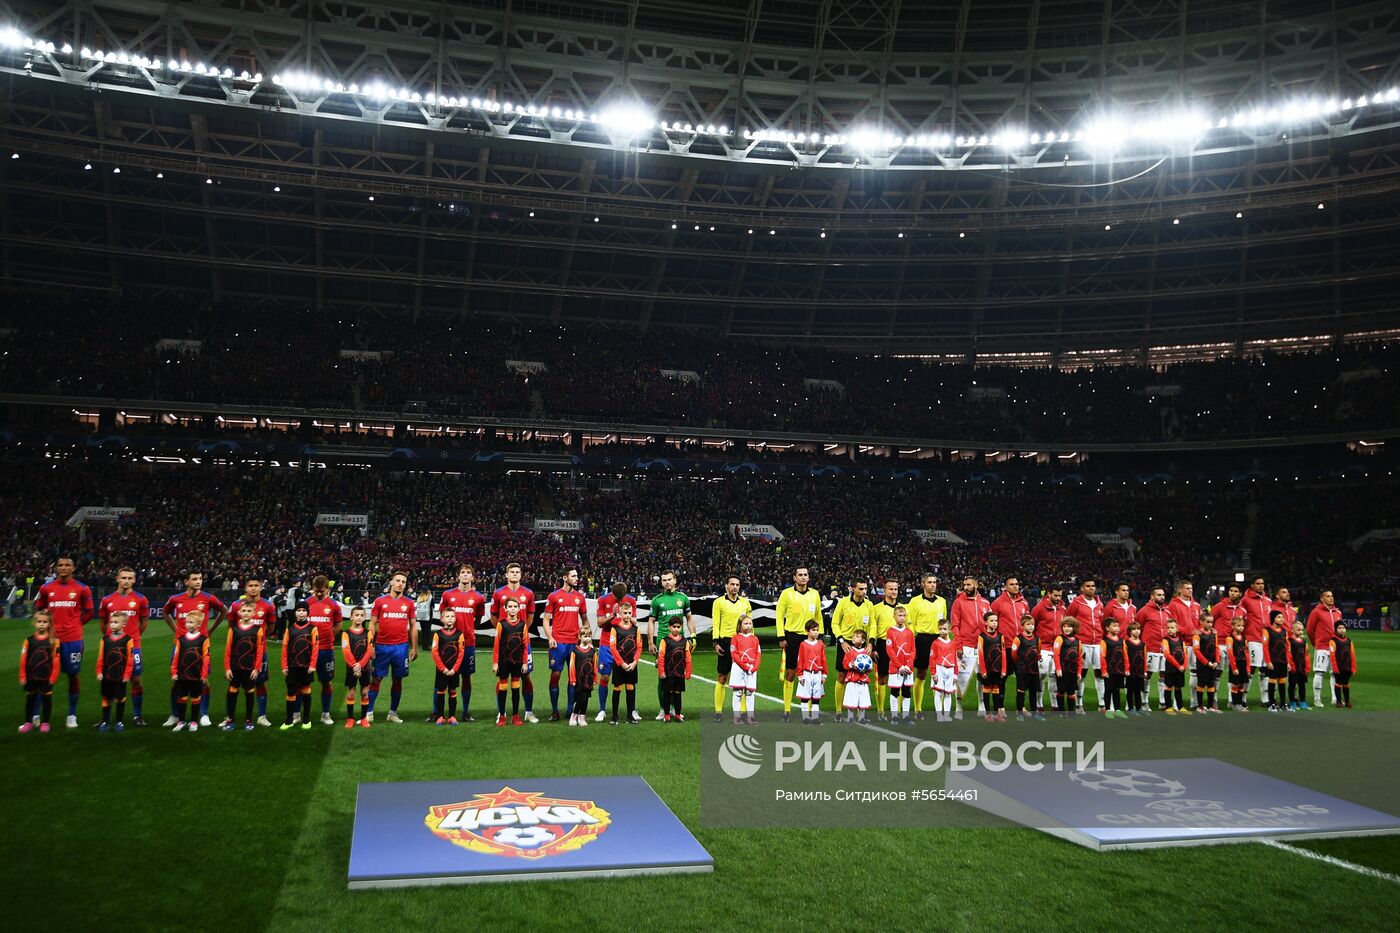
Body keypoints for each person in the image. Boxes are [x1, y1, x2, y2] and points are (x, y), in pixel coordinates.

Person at [34, 555, 95, 729]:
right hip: (50, 640)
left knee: (73, 676)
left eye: (67, 565)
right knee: (42, 676)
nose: (63, 567)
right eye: (60, 565)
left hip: (73, 639)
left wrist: (76, 625)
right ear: (56, 568)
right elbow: (40, 609)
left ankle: (72, 715)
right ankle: (36, 714)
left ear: (73, 568)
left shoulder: (82, 588)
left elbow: (90, 612)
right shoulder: (46, 588)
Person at [161, 571, 227, 728]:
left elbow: (224, 610)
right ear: (186, 582)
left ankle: (204, 714)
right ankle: (175, 715)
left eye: (200, 579)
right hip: (180, 645)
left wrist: (210, 630)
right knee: (177, 680)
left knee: (204, 680)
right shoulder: (176, 598)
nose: (198, 581)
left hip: (200, 646)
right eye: (194, 579)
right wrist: (176, 630)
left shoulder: (208, 598)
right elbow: (165, 611)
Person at [99, 567, 149, 726]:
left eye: (129, 578)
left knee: (135, 679)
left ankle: (137, 715)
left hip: (133, 646)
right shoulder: (107, 599)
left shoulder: (141, 599)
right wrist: (111, 639)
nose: (126, 581)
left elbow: (144, 622)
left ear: (134, 580)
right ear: (117, 579)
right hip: (112, 647)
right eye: (123, 578)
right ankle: (106, 719)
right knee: (109, 680)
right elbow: (103, 622)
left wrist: (133, 637)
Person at [490, 562, 538, 723]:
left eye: (518, 571)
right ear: (507, 575)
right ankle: (501, 712)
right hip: (505, 644)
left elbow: (530, 616)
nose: (515, 574)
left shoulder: (528, 593)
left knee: (526, 676)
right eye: (512, 572)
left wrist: (520, 632)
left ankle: (528, 712)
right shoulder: (498, 593)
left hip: (522, 642)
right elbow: (493, 616)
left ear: (521, 575)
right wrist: (504, 632)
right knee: (502, 678)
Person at [437, 565, 485, 723]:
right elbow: (442, 615)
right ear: (458, 576)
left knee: (466, 677)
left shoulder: (478, 597)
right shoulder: (448, 594)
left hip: (468, 643)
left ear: (473, 577)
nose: (465, 575)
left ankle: (465, 711)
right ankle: (437, 713)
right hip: (448, 643)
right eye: (462, 572)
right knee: (442, 677)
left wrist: (468, 630)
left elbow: (478, 619)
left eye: (468, 572)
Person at [368, 571, 418, 724]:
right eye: (397, 580)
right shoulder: (380, 601)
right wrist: (370, 645)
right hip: (382, 646)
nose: (400, 583)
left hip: (401, 648)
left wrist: (414, 647)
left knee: (398, 680)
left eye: (403, 581)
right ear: (391, 582)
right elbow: (372, 623)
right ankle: (368, 713)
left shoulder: (409, 603)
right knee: (376, 679)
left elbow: (413, 626)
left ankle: (393, 713)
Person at [775, 567, 823, 722]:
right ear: (794, 577)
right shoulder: (786, 594)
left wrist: (820, 635)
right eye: (800, 575)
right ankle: (787, 710)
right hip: (792, 637)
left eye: (805, 575)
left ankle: (808, 712)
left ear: (808, 577)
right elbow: (779, 616)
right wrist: (781, 636)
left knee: (810, 673)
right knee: (791, 672)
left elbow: (818, 616)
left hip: (810, 638)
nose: (803, 577)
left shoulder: (814, 594)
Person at [542, 568, 589, 722]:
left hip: (574, 643)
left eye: (577, 575)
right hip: (558, 642)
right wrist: (550, 637)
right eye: (573, 576)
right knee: (555, 675)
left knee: (573, 678)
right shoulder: (554, 596)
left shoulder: (580, 597)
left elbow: (584, 619)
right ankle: (554, 710)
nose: (577, 578)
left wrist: (587, 638)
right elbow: (546, 620)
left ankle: (570, 710)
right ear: (564, 577)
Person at [231, 579, 277, 727]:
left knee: (260, 682)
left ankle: (261, 716)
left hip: (259, 652)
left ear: (261, 587)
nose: (253, 588)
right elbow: (232, 625)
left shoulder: (268, 605)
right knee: (234, 683)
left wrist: (260, 639)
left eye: (256, 585)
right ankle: (230, 717)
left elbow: (271, 626)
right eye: (250, 585)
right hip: (239, 653)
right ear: (245, 587)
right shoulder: (236, 605)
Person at [648, 570, 694, 719]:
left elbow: (689, 618)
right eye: (664, 580)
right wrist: (650, 641)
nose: (667, 582)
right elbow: (651, 621)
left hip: (679, 644)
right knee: (662, 677)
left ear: (675, 580)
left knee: (677, 675)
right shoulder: (657, 600)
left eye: (669, 579)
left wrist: (693, 636)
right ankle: (663, 709)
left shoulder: (683, 598)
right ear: (661, 582)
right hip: (663, 643)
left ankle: (673, 709)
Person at [710, 576, 752, 723]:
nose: (735, 587)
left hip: (743, 643)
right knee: (722, 677)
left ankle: (743, 712)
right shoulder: (718, 602)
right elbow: (716, 623)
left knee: (744, 679)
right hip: (726, 642)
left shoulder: (745, 603)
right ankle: (718, 711)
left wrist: (751, 641)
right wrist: (715, 642)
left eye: (737, 585)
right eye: (732, 584)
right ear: (726, 586)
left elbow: (750, 624)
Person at [303, 575, 343, 726]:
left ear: (328, 589)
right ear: (312, 588)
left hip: (326, 649)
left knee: (326, 682)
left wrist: (329, 637)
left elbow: (338, 625)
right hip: (307, 649)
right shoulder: (306, 603)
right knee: (303, 681)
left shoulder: (334, 605)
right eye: (316, 590)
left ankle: (325, 714)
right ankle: (297, 714)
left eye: (322, 591)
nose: (319, 593)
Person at [909, 573, 949, 720]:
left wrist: (945, 639)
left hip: (938, 639)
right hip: (922, 639)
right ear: (923, 584)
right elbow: (911, 623)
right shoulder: (914, 602)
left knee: (939, 674)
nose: (933, 585)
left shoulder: (942, 601)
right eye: (930, 582)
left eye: (934, 582)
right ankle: (918, 709)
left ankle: (939, 710)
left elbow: (944, 622)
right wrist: (912, 643)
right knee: (921, 673)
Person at [951, 576, 993, 716]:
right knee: (961, 678)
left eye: (969, 584)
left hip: (982, 646)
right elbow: (955, 625)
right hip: (966, 646)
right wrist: (959, 645)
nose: (965, 587)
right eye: (964, 584)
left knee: (982, 676)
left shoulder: (985, 602)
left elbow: (990, 624)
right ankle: (958, 706)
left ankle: (981, 703)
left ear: (976, 585)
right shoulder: (958, 602)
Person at [596, 581, 638, 721]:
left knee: (629, 679)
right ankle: (602, 710)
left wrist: (626, 616)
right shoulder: (603, 600)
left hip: (625, 645)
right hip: (607, 644)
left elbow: (635, 622)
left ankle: (632, 710)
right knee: (605, 677)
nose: (619, 600)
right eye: (617, 598)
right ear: (612, 592)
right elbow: (600, 623)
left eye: (622, 598)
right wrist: (613, 615)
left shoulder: (631, 600)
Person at [221, 602, 265, 732]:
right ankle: (230, 720)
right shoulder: (233, 629)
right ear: (239, 613)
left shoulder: (258, 629)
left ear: (253, 613)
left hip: (250, 668)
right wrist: (227, 667)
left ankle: (249, 720)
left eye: (249, 611)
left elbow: (260, 650)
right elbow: (228, 649)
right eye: (244, 611)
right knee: (232, 692)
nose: (246, 613)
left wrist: (256, 668)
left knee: (249, 693)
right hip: (235, 667)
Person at [19, 611, 60, 733]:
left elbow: (56, 660)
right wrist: (22, 675)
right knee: (30, 699)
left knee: (46, 699)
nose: (42, 624)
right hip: (31, 676)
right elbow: (23, 659)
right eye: (39, 621)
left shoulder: (54, 641)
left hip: (46, 676)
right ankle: (28, 722)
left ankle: (45, 722)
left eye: (45, 622)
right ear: (35, 623)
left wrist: (53, 676)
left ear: (49, 624)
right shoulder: (29, 640)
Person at [1068, 579, 1105, 712]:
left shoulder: (1099, 603)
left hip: (1097, 643)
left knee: (1100, 674)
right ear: (1082, 588)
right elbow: (1069, 621)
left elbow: (1101, 622)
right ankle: (1079, 704)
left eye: (1093, 586)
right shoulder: (1076, 603)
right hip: (1083, 643)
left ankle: (1102, 704)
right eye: (1088, 586)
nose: (1091, 588)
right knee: (1081, 674)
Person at [493, 595, 530, 726]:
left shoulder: (522, 625)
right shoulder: (501, 624)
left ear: (519, 609)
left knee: (515, 688)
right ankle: (502, 715)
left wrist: (525, 662)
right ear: (505, 608)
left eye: (515, 606)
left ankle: (515, 715)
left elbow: (525, 645)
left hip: (517, 662)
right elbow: (496, 644)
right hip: (503, 661)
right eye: (510, 606)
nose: (513, 609)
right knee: (503, 688)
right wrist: (495, 662)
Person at [280, 602, 318, 731]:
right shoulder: (290, 629)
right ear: (295, 613)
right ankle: (289, 720)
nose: (301, 613)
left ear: (307, 612)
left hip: (306, 666)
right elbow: (285, 647)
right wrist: (284, 665)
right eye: (299, 610)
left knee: (306, 691)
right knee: (291, 691)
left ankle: (306, 719)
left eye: (303, 610)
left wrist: (312, 665)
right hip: (292, 666)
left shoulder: (312, 628)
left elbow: (315, 648)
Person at [171, 611, 210, 733]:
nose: (188, 624)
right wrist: (174, 671)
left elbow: (206, 657)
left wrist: (204, 674)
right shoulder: (181, 639)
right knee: (181, 697)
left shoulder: (204, 639)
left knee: (195, 698)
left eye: (191, 622)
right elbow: (176, 656)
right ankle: (181, 721)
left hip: (196, 675)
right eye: (187, 622)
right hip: (182, 674)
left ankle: (194, 721)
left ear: (199, 624)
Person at [1031, 584, 1068, 711]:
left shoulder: (1063, 609)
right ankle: (1038, 704)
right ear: (1049, 594)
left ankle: (1054, 705)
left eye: (1060, 595)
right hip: (1043, 647)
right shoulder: (1039, 608)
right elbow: (1032, 625)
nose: (1058, 598)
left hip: (1057, 648)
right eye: (1055, 595)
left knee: (1054, 677)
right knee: (1040, 676)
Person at [96, 611, 135, 732]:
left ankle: (119, 722)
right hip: (107, 675)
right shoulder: (105, 639)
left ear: (124, 624)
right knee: (106, 698)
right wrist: (99, 671)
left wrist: (127, 674)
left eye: (115, 622)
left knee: (120, 698)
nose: (112, 624)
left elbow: (130, 659)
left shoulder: (128, 640)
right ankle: (105, 722)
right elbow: (100, 657)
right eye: (111, 622)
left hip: (120, 676)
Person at [1134, 586, 1171, 710]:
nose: (1161, 597)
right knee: (1147, 675)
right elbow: (1137, 627)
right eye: (1159, 595)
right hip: (1150, 648)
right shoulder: (1144, 611)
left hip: (1164, 649)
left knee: (1163, 675)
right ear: (1152, 596)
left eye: (1163, 595)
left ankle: (1162, 702)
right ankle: (1144, 702)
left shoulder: (1167, 611)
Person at [1306, 590, 1343, 709]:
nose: (1331, 598)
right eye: (1328, 596)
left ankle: (1335, 698)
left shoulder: (1338, 612)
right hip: (1322, 647)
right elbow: (1309, 630)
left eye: (1332, 596)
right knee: (1319, 672)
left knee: (1335, 673)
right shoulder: (1316, 612)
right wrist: (1316, 643)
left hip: (1335, 647)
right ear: (1322, 599)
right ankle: (1317, 699)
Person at [608, 601, 642, 725]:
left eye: (629, 613)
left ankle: (630, 716)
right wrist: (622, 663)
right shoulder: (615, 629)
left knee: (630, 688)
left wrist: (634, 662)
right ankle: (614, 717)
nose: (627, 615)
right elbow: (613, 648)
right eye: (625, 613)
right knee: (617, 688)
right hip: (619, 665)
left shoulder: (636, 629)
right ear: (620, 614)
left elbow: (639, 647)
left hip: (632, 665)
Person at [1166, 580, 1200, 706]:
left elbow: (1200, 623)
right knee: (1177, 672)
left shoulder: (1196, 605)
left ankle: (1194, 701)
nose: (1190, 590)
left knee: (1195, 672)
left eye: (1191, 588)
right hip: (1180, 643)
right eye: (1187, 588)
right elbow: (1172, 624)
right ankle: (1176, 703)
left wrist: (1200, 631)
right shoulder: (1173, 605)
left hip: (1195, 643)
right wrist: (1189, 631)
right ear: (1180, 590)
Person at [431, 609, 465, 725]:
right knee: (441, 691)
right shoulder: (438, 634)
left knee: (453, 691)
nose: (450, 618)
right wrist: (443, 668)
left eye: (452, 616)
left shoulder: (459, 634)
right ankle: (440, 716)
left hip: (454, 670)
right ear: (442, 619)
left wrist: (454, 669)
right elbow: (434, 652)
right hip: (442, 670)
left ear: (455, 619)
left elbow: (461, 653)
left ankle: (452, 716)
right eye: (447, 616)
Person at [341, 607, 374, 728]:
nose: (359, 617)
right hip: (351, 667)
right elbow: (346, 650)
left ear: (364, 618)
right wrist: (355, 666)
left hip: (364, 667)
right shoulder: (346, 633)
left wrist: (360, 665)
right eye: (356, 615)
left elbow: (370, 650)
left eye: (361, 615)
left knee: (365, 693)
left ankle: (364, 718)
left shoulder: (368, 633)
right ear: (351, 617)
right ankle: (350, 718)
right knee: (351, 693)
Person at [1241, 576, 1271, 706]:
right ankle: (1243, 698)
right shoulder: (1245, 600)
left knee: (1264, 669)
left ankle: (1265, 699)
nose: (1260, 586)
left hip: (1265, 639)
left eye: (1262, 583)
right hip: (1252, 637)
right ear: (1252, 585)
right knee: (1251, 669)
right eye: (1257, 583)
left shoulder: (1268, 600)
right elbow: (1240, 617)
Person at [657, 617, 693, 722]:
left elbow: (688, 657)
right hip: (668, 673)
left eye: (678, 627)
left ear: (681, 627)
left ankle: (677, 715)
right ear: (669, 627)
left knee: (678, 693)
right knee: (668, 693)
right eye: (674, 627)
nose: (676, 629)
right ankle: (666, 715)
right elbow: (661, 657)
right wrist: (661, 671)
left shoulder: (684, 641)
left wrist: (688, 672)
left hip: (679, 673)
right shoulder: (665, 641)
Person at [885, 605, 916, 723]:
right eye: (900, 615)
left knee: (907, 691)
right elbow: (889, 650)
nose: (902, 618)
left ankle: (906, 716)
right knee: (895, 691)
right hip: (895, 668)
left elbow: (913, 650)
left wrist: (908, 665)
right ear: (894, 616)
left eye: (904, 615)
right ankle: (894, 716)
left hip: (908, 668)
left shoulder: (909, 632)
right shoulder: (890, 631)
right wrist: (899, 666)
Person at [977, 611, 1008, 723]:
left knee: (996, 690)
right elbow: (980, 654)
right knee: (986, 689)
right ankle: (988, 714)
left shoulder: (1000, 636)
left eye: (996, 621)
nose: (995, 623)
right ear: (986, 622)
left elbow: (1003, 652)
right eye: (992, 621)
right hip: (987, 668)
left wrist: (1003, 669)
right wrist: (983, 670)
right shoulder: (982, 637)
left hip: (997, 669)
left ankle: (996, 714)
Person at [731, 614, 762, 725]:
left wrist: (754, 667)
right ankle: (737, 718)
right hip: (738, 668)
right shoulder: (735, 638)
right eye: (745, 623)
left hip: (751, 668)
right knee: (737, 693)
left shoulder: (755, 639)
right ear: (740, 625)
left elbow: (758, 654)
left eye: (750, 623)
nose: (748, 625)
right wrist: (745, 667)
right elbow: (734, 654)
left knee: (750, 693)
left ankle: (750, 717)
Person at [1192, 608, 1222, 714]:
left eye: (1211, 622)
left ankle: (1210, 706)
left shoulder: (1214, 633)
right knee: (1201, 684)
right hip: (1203, 664)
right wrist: (1206, 662)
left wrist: (1216, 661)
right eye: (1208, 622)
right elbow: (1196, 651)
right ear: (1201, 622)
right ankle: (1200, 706)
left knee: (1211, 684)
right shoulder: (1197, 635)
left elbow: (1217, 647)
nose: (1210, 624)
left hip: (1213, 663)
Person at [1011, 615, 1041, 721]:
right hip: (1022, 670)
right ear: (1022, 626)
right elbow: (1014, 655)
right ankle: (1019, 713)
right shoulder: (1018, 639)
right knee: (1021, 691)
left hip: (1034, 670)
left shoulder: (1037, 639)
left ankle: (1034, 713)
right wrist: (1020, 664)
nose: (1031, 626)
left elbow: (1038, 653)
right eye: (1028, 624)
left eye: (1032, 624)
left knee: (1033, 691)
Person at [840, 629, 872, 724]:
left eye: (857, 636)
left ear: (863, 641)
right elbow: (844, 664)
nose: (854, 638)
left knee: (863, 700)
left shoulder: (866, 652)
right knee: (851, 699)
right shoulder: (849, 651)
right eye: (853, 636)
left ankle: (861, 717)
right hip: (852, 680)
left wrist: (869, 668)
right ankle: (850, 717)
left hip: (863, 681)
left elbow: (869, 666)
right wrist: (851, 665)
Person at [1052, 618, 1083, 715]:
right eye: (1064, 626)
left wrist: (1079, 672)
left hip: (1073, 671)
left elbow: (1079, 657)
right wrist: (1058, 668)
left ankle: (1071, 712)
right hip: (1062, 670)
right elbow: (1056, 654)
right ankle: (1061, 711)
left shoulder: (1078, 641)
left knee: (1071, 691)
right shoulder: (1059, 638)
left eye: (1069, 626)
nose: (1066, 628)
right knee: (1061, 690)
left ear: (1074, 628)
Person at [930, 621, 959, 722]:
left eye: (945, 629)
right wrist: (933, 673)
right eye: (940, 629)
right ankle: (939, 715)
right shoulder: (935, 643)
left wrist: (955, 673)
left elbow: (955, 658)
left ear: (949, 630)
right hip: (939, 669)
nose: (942, 631)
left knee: (948, 694)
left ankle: (946, 715)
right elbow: (932, 659)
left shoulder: (953, 643)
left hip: (950, 670)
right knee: (938, 693)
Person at [1262, 610, 1290, 712]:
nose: (1281, 619)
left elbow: (1287, 647)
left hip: (1283, 660)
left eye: (1282, 617)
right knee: (1272, 681)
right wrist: (1268, 661)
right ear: (1273, 619)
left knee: (1282, 681)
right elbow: (1265, 647)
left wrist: (1288, 662)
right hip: (1273, 661)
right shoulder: (1267, 631)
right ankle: (1272, 704)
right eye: (1279, 617)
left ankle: (1283, 704)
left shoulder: (1284, 631)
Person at [568, 630, 598, 726]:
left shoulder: (593, 652)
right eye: (585, 636)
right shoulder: (575, 651)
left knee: (586, 698)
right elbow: (572, 666)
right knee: (580, 698)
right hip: (579, 680)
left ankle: (582, 716)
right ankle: (574, 715)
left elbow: (595, 665)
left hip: (588, 679)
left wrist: (595, 678)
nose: (587, 638)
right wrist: (573, 679)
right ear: (579, 637)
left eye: (589, 636)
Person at [1099, 618, 1127, 719]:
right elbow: (1102, 657)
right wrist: (1104, 671)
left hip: (1119, 670)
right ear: (1107, 628)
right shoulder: (1104, 641)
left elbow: (1125, 656)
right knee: (1108, 690)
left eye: (1117, 626)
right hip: (1109, 671)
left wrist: (1126, 669)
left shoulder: (1122, 641)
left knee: (1117, 690)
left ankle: (1117, 709)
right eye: (1114, 626)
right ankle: (1107, 710)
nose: (1117, 628)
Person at [1161, 619, 1190, 715]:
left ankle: (1180, 706)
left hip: (1181, 668)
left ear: (1176, 628)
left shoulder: (1181, 640)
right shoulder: (1165, 640)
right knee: (1169, 686)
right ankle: (1168, 707)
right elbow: (1167, 654)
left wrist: (1184, 666)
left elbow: (1186, 654)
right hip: (1171, 668)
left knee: (1178, 687)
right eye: (1168, 628)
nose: (1170, 629)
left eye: (1172, 627)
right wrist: (1178, 666)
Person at [1225, 617, 1251, 711]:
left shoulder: (1244, 638)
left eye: (1242, 626)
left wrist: (1248, 667)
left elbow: (1247, 653)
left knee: (1242, 685)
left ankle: (1240, 704)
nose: (1241, 627)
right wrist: (1234, 667)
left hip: (1243, 663)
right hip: (1235, 664)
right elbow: (1230, 653)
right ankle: (1235, 704)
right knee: (1235, 684)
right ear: (1233, 626)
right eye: (1238, 625)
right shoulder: (1229, 638)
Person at [1329, 623, 1356, 708]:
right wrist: (1335, 667)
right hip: (1338, 667)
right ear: (1335, 630)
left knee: (1346, 683)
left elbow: (1352, 654)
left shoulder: (1349, 641)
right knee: (1338, 682)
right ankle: (1338, 701)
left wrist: (1353, 667)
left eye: (1343, 628)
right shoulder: (1333, 640)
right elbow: (1332, 655)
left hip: (1347, 666)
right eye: (1339, 628)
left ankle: (1347, 701)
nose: (1342, 629)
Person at [1287, 621, 1311, 711]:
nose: (1301, 632)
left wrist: (1307, 667)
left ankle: (1302, 702)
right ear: (1292, 630)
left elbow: (1306, 655)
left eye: (1302, 630)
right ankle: (1292, 702)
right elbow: (1288, 654)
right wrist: (1291, 666)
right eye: (1298, 630)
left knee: (1302, 685)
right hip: (1294, 667)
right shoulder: (1289, 641)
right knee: (1292, 685)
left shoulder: (1304, 642)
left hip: (1302, 667)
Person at [1125, 621, 1147, 715]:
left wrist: (1145, 670)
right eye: (1134, 629)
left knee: (1138, 689)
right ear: (1129, 631)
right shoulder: (1126, 643)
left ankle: (1139, 708)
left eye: (1138, 629)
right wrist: (1126, 669)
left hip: (1140, 670)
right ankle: (1130, 708)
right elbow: (1125, 657)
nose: (1136, 631)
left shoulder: (1142, 644)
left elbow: (1144, 657)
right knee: (1130, 689)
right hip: (1131, 670)